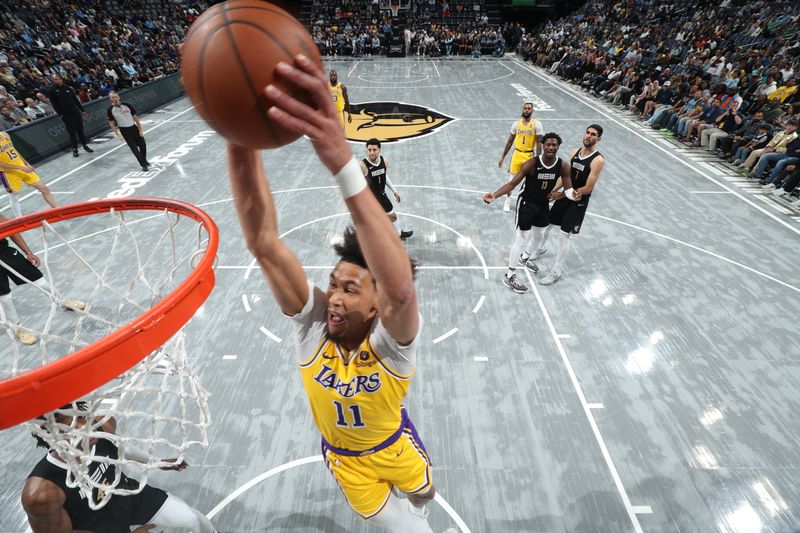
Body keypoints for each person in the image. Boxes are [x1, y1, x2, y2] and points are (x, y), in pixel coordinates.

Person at [228, 53, 448, 532]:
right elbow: (262, 241)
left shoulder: (391, 343)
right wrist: (240, 140)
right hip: (348, 459)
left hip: (392, 443)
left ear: (375, 305)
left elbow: (402, 292)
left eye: (350, 288)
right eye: (333, 284)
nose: (335, 296)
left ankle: (421, 500)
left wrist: (343, 164)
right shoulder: (311, 327)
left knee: (425, 491)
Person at [22, 402, 219, 533]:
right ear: (50, 435)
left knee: (195, 519)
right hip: (95, 526)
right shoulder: (42, 493)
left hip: (127, 495)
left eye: (80, 417)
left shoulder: (103, 426)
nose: (83, 426)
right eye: (69, 426)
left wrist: (156, 462)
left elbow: (118, 447)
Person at [484, 132, 572, 293]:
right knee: (522, 239)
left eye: (554, 145)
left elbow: (568, 190)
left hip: (543, 205)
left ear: (558, 147)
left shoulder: (563, 166)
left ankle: (524, 258)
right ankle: (509, 275)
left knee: (539, 236)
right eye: (548, 144)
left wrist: (569, 194)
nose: (551, 147)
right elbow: (512, 185)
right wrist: (495, 195)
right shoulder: (531, 163)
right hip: (527, 205)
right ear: (543, 146)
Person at [535, 124, 606, 286]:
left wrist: (562, 193)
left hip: (578, 201)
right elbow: (565, 177)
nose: (589, 136)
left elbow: (588, 188)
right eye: (587, 132)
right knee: (548, 225)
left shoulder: (598, 160)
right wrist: (552, 191)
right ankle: (540, 248)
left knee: (563, 235)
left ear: (598, 139)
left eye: (593, 134)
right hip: (566, 195)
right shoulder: (575, 152)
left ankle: (556, 271)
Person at [0, 213, 84, 345]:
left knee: (39, 281)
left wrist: (28, 252)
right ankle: (18, 329)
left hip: (4, 252)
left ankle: (62, 302)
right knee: (4, 298)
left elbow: (12, 230)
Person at [360, 138, 413, 240]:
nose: (371, 153)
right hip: (370, 200)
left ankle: (398, 235)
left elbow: (384, 176)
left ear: (379, 149)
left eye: (374, 150)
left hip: (382, 195)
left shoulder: (384, 161)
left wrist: (394, 191)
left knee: (393, 217)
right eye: (369, 150)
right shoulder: (363, 165)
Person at [497, 102, 543, 211]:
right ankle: (507, 201)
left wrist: (539, 160)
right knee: (511, 180)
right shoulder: (516, 124)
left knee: (529, 182)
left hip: (529, 155)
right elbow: (510, 141)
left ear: (532, 111)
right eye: (525, 108)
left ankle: (524, 203)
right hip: (517, 154)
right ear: (522, 110)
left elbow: (539, 144)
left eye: (529, 109)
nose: (526, 110)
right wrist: (503, 156)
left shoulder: (537, 124)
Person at [0, 131, 58, 217]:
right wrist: (21, 168)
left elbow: (14, 150)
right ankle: (19, 218)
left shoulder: (5, 134)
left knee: (44, 189)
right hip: (8, 172)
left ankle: (57, 210)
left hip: (22, 166)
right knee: (14, 196)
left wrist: (26, 163)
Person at [47, 74, 94, 158]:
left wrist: (82, 110)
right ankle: (75, 149)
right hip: (66, 115)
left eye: (58, 79)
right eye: (55, 80)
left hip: (75, 112)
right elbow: (54, 104)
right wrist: (61, 114)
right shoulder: (51, 90)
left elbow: (75, 100)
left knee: (80, 131)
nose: (57, 81)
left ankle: (85, 146)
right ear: (53, 81)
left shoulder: (67, 87)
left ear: (61, 79)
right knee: (72, 133)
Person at [107, 91, 149, 171]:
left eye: (115, 97)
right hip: (124, 131)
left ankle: (144, 160)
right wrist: (117, 134)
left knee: (143, 145)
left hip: (134, 128)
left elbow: (135, 117)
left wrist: (140, 129)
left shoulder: (127, 105)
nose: (114, 99)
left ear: (119, 97)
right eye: (112, 97)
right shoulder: (110, 110)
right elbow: (111, 123)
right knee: (134, 149)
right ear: (110, 100)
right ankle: (143, 165)